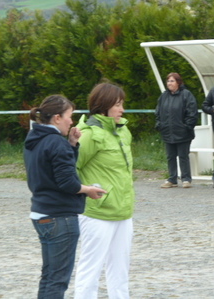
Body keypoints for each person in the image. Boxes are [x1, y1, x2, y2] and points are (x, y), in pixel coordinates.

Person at [24, 95, 105, 299]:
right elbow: (68, 183)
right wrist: (88, 190)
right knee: (58, 280)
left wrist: (72, 144)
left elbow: (55, 171)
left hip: (41, 213)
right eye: (70, 116)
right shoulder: (55, 142)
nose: (72, 121)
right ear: (58, 117)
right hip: (60, 217)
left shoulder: (34, 138)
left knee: (49, 276)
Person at [74, 83, 135, 299]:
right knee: (90, 268)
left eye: (122, 104)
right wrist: (87, 191)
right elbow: (72, 168)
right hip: (97, 213)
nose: (122, 109)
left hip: (123, 212)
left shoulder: (123, 131)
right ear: (104, 106)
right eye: (118, 104)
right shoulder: (89, 135)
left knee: (120, 269)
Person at [155, 72, 198, 188]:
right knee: (170, 156)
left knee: (183, 156)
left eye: (172, 81)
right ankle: (172, 179)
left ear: (178, 82)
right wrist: (160, 125)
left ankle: (186, 179)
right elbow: (158, 112)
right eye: (168, 81)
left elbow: (192, 113)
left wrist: (186, 126)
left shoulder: (186, 95)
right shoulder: (163, 96)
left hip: (183, 132)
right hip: (168, 132)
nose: (169, 83)